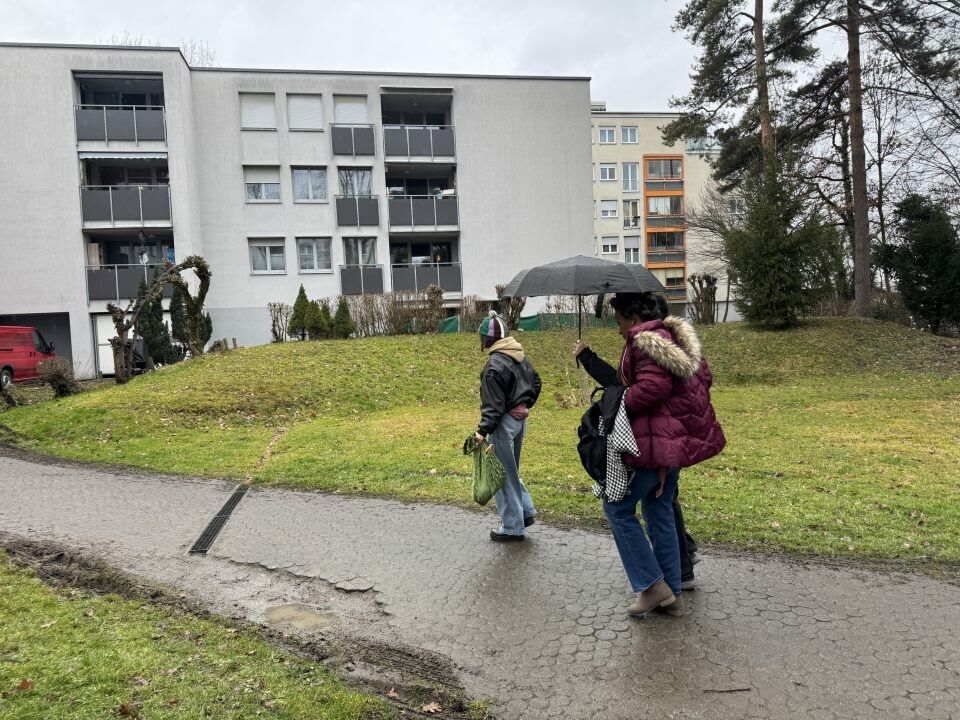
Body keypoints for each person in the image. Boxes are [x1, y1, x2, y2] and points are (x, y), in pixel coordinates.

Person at [574, 293, 724, 617]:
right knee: (660, 509)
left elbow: (655, 388)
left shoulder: (646, 343)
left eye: (618, 322)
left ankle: (651, 585)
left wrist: (617, 404)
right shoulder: (674, 341)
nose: (618, 330)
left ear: (632, 317)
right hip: (671, 445)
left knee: (617, 507)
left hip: (654, 445)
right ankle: (672, 595)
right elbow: (699, 382)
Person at [475, 311, 542, 542]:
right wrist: (524, 404)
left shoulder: (494, 365)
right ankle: (525, 512)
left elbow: (492, 406)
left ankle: (512, 527)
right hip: (520, 423)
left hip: (502, 426)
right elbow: (536, 382)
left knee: (501, 475)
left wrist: (482, 431)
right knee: (511, 471)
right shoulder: (520, 356)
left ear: (487, 339)